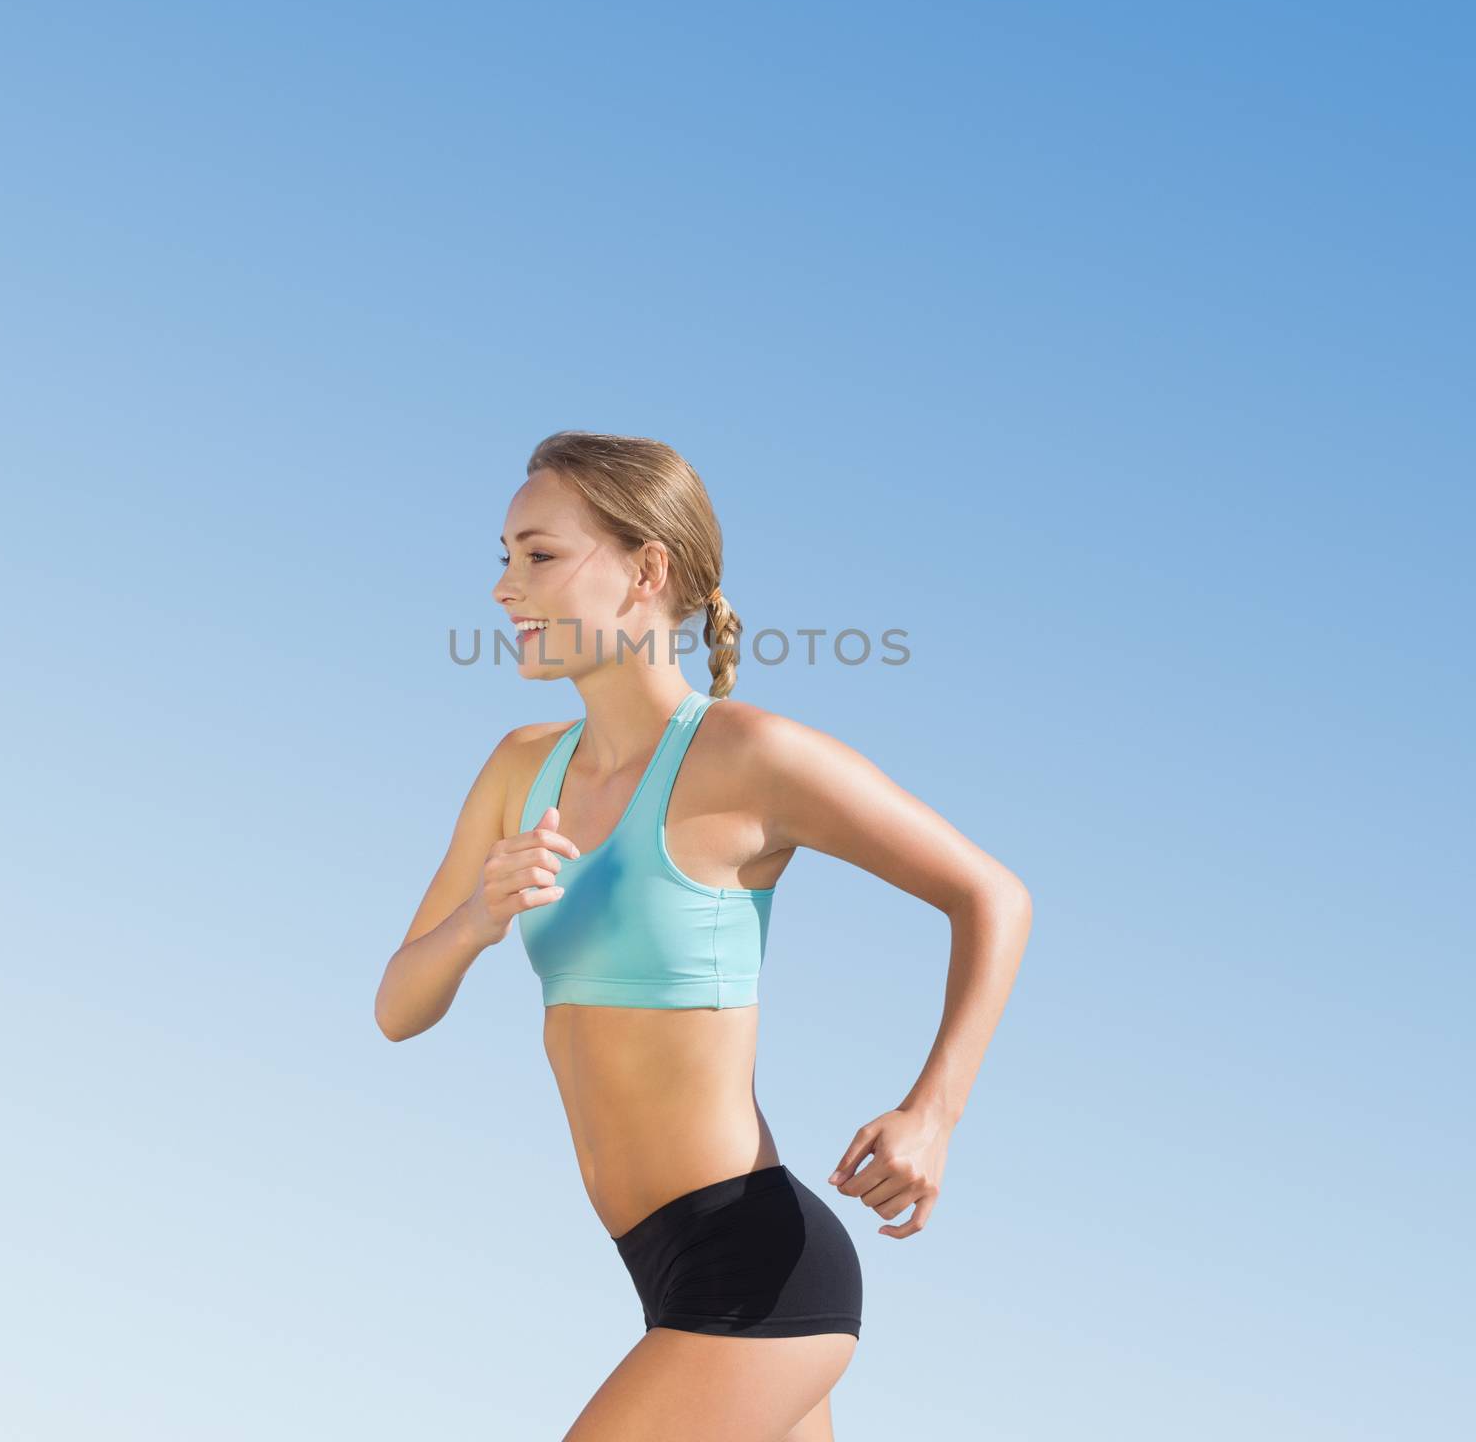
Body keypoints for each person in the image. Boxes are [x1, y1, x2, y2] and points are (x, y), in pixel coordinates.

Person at [375, 430, 1033, 1441]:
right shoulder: (519, 768)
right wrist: (476, 920)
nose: (505, 588)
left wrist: (932, 1113)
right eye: (503, 556)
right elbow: (396, 1010)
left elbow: (991, 895)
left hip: (756, 1267)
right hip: (666, 1270)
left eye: (540, 555)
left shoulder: (750, 757)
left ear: (647, 568)